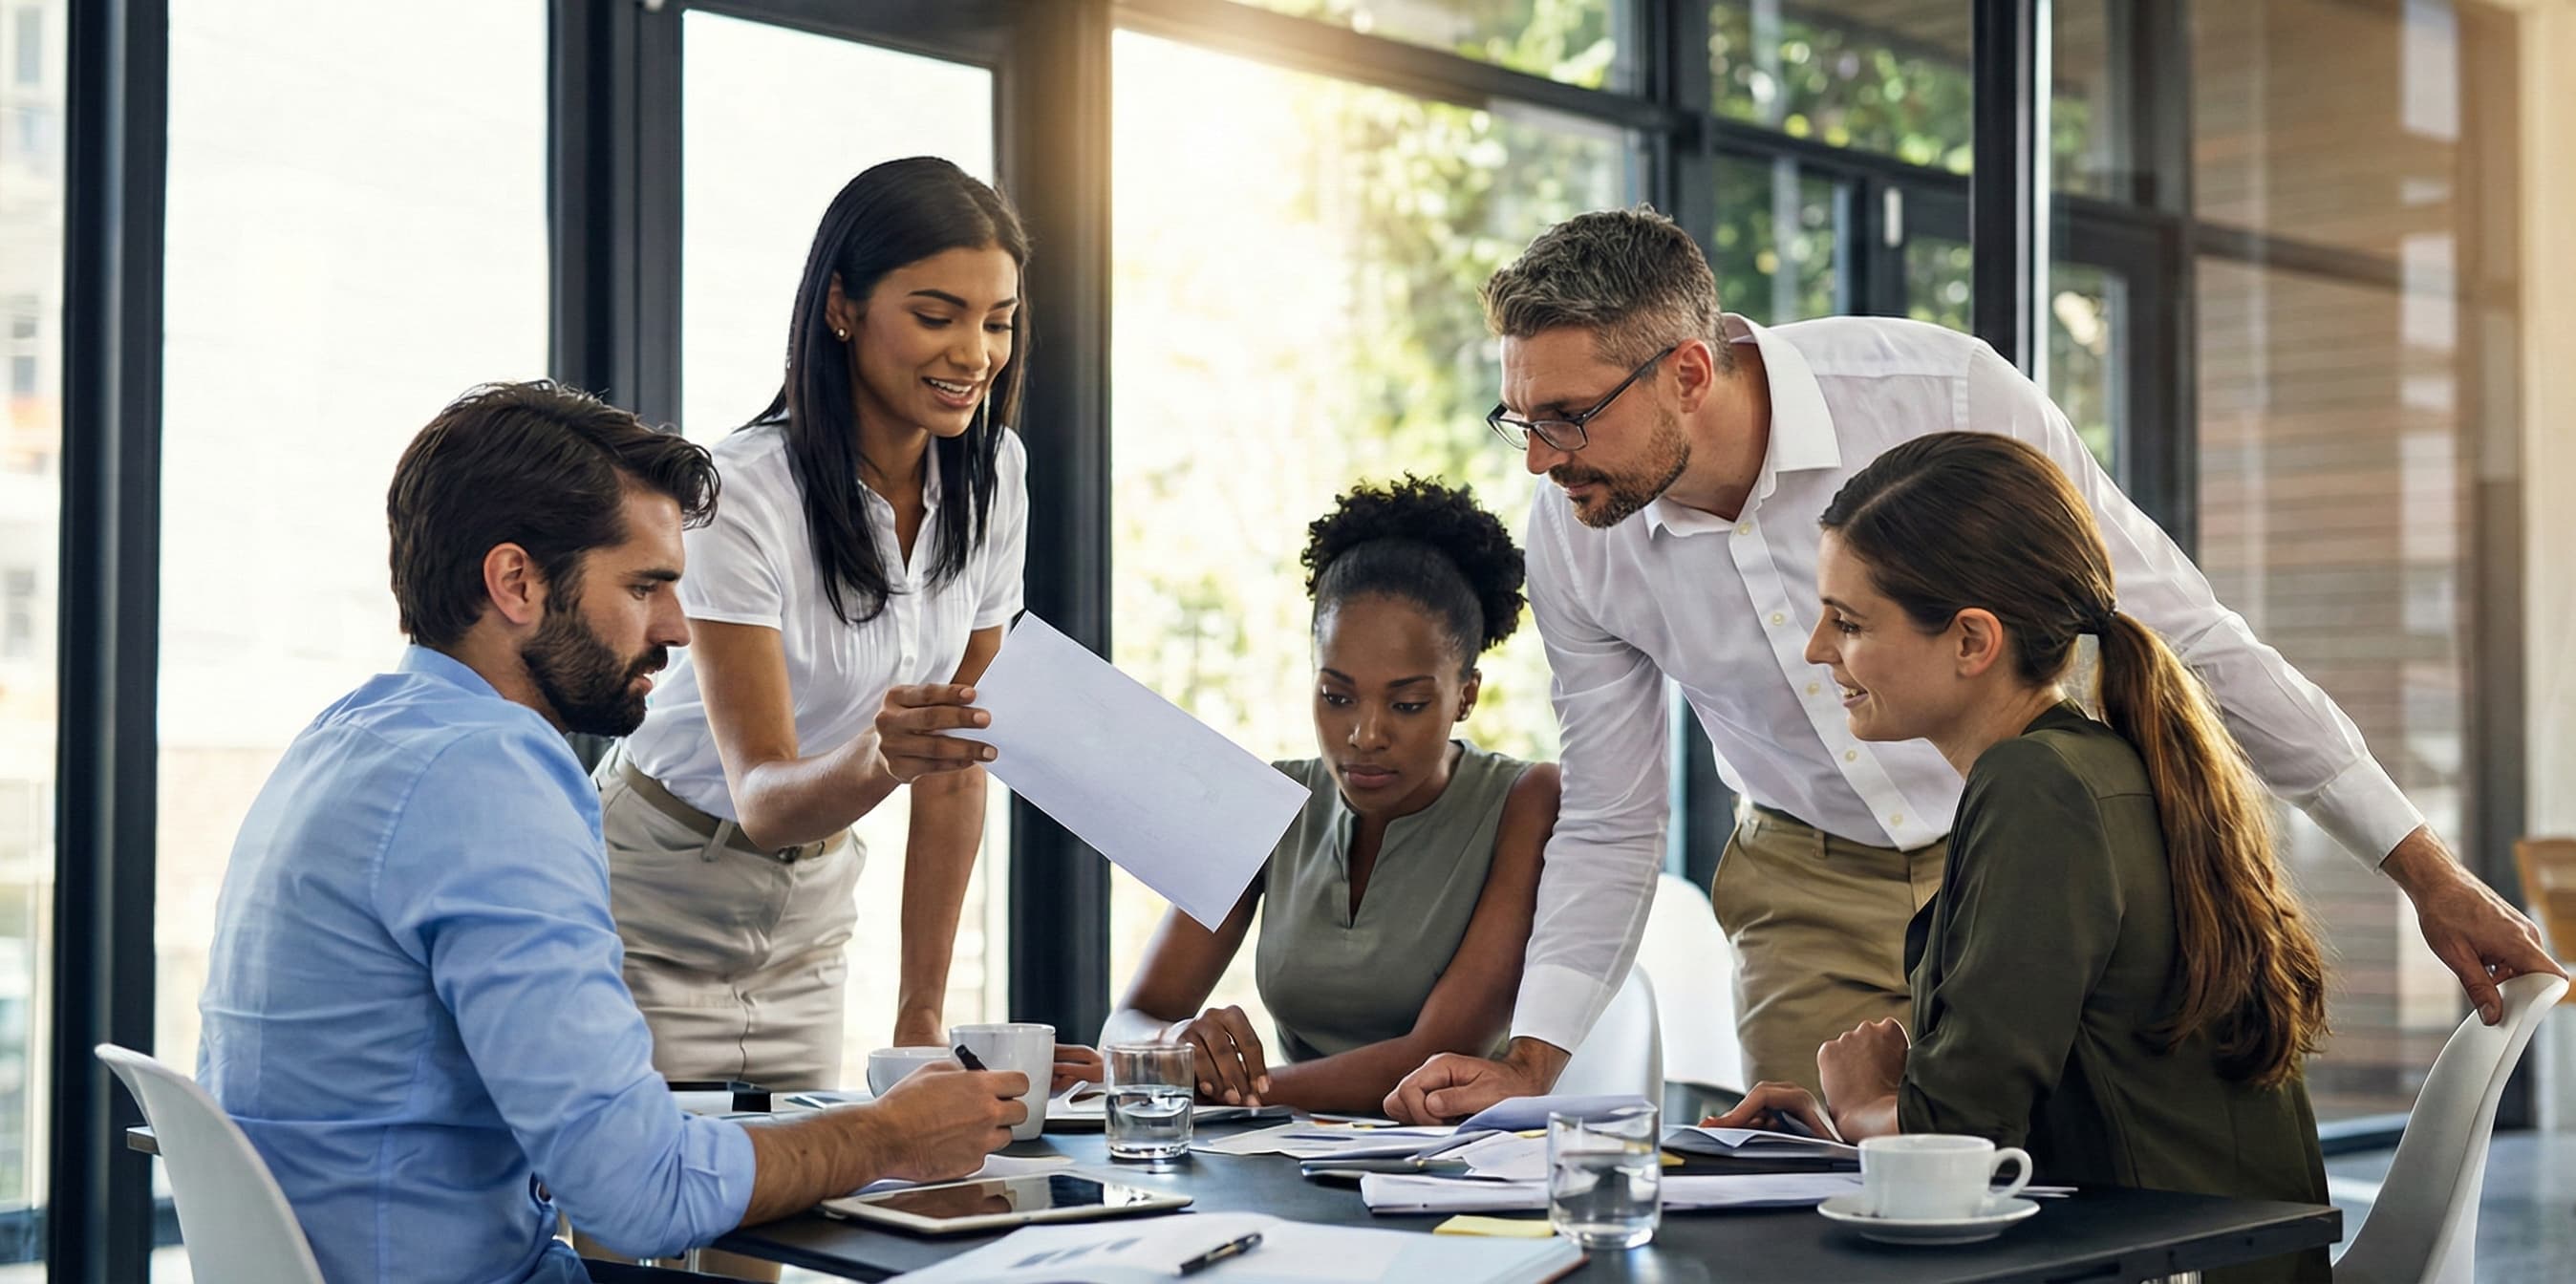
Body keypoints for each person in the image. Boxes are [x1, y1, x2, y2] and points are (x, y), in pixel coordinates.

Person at [1387, 206, 2559, 1124]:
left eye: (1567, 419)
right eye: (1519, 419)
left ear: (1688, 373)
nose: (1540, 460)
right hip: (1809, 890)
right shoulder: (1578, 540)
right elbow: (1611, 815)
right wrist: (1534, 1059)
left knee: (2065, 1209)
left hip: (2037, 862)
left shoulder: (1937, 396)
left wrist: (2423, 870)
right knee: (1821, 1220)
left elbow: (2183, 633)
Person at [196, 382, 1032, 1284]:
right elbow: (638, 1194)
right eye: (644, 587)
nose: (675, 628)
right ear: (516, 582)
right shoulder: (490, 780)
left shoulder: (349, 734)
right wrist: (889, 1135)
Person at [1704, 431, 2330, 1284]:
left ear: (1971, 642)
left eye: (1849, 623)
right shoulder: (2088, 765)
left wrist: (1860, 1108)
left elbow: (1965, 1134)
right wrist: (1857, 1121)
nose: (1818, 651)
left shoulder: (2038, 786)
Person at [601, 157, 1088, 1091]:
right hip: (652, 897)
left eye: (998, 322)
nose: (975, 354)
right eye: (937, 316)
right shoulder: (740, 490)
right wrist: (888, 752)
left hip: (813, 914)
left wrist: (921, 1013)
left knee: (780, 1217)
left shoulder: (996, 478)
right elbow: (766, 796)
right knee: (638, 1220)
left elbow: (956, 763)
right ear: (842, 307)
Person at [1103, 478, 1560, 1115]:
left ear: (1466, 694)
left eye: (1407, 704)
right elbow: (1128, 1023)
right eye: (1337, 697)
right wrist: (1173, 1042)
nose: (1364, 735)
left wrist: (1215, 1092)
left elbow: (1434, 1057)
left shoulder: (1526, 800)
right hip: (1296, 1158)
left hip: (1460, 1168)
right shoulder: (1270, 799)